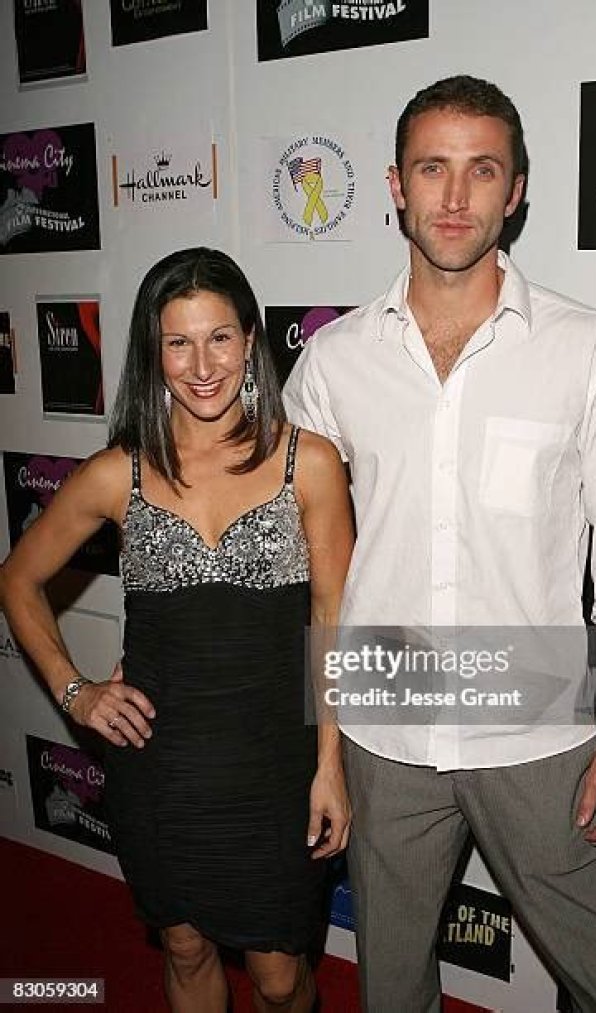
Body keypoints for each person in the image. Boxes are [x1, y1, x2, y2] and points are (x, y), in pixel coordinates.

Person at [283, 77, 596, 1012]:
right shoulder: (334, 359)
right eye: (432, 169)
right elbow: (291, 552)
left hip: (538, 730)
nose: (455, 197)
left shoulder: (584, 345)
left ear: (517, 190)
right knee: (391, 989)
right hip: (384, 732)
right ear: (395, 185)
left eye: (482, 170)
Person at [0, 248, 354, 1013]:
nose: (201, 365)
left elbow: (332, 622)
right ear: (152, 352)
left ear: (250, 339)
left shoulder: (310, 464)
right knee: (186, 947)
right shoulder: (116, 473)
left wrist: (331, 765)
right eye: (178, 342)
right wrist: (76, 691)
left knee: (280, 976)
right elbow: (16, 578)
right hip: (159, 767)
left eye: (219, 337)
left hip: (276, 765)